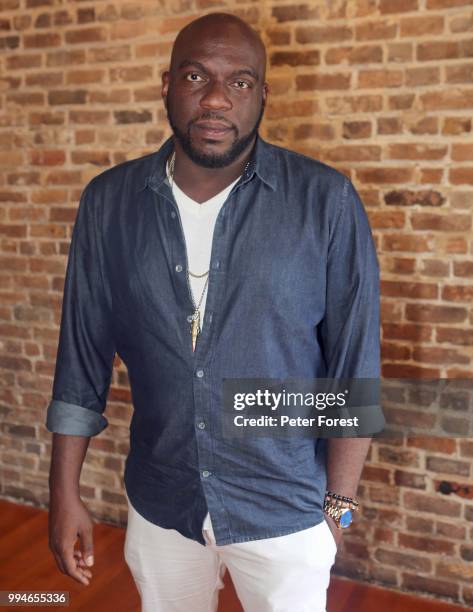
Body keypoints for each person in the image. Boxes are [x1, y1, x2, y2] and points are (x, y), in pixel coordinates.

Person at [46, 11, 380, 612]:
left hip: (285, 510)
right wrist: (63, 491)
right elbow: (81, 357)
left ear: (263, 96)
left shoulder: (325, 202)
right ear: (168, 84)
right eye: (197, 77)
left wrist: (338, 508)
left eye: (241, 82)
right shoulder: (108, 203)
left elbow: (353, 372)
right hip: (162, 501)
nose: (218, 99)